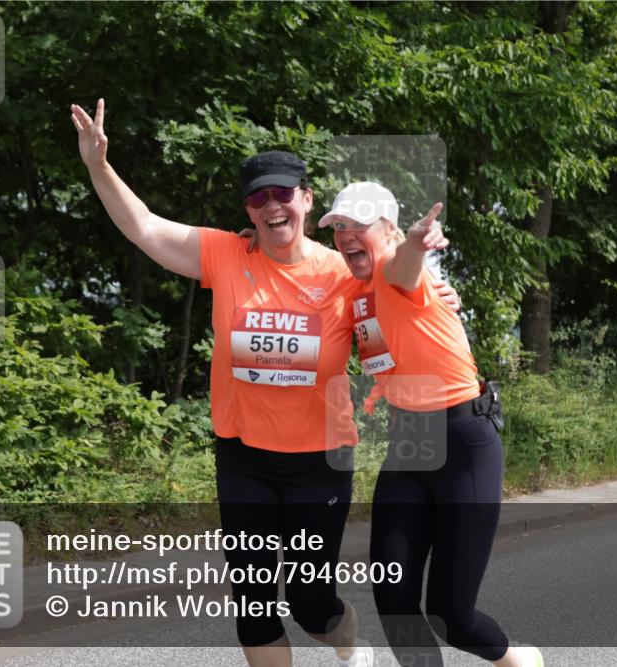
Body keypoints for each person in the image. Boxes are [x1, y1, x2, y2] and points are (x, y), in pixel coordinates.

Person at [70, 99, 372, 667]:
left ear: (307, 199)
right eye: (258, 198)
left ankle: (345, 636)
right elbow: (144, 228)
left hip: (320, 462)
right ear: (249, 211)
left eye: (282, 193)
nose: (272, 205)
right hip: (244, 458)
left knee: (310, 605)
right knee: (253, 603)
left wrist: (437, 293)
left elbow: (401, 308)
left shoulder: (344, 275)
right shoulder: (226, 254)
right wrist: (98, 165)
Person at [318, 182, 545, 667]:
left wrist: (416, 244)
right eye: (338, 226)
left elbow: (403, 266)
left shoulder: (395, 271)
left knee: (451, 617)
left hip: (463, 442)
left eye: (359, 225)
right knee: (393, 598)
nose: (346, 234)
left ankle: (519, 661)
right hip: (409, 444)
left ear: (389, 231)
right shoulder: (356, 288)